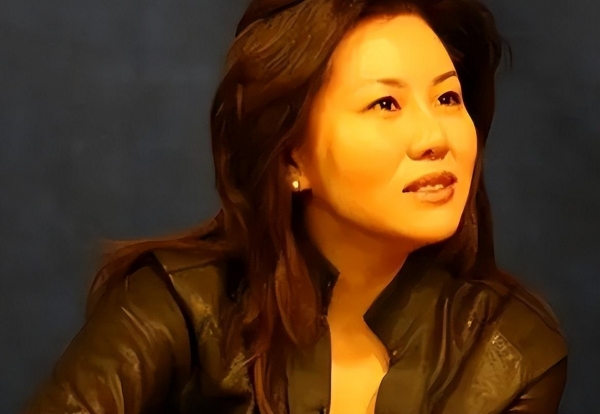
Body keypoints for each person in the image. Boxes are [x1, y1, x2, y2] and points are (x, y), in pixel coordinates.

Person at [22, 0, 568, 413]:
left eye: (447, 97)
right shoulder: (179, 308)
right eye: (385, 103)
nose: (435, 138)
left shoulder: (508, 353)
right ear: (290, 158)